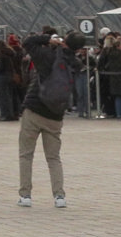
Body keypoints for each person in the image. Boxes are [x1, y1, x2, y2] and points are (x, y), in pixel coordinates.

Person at [17, 32, 78, 208]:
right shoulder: (75, 62)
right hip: (55, 115)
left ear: (64, 41)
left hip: (35, 109)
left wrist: (48, 40)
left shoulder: (46, 56)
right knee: (53, 158)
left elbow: (28, 41)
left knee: (26, 155)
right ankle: (59, 196)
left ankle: (25, 195)